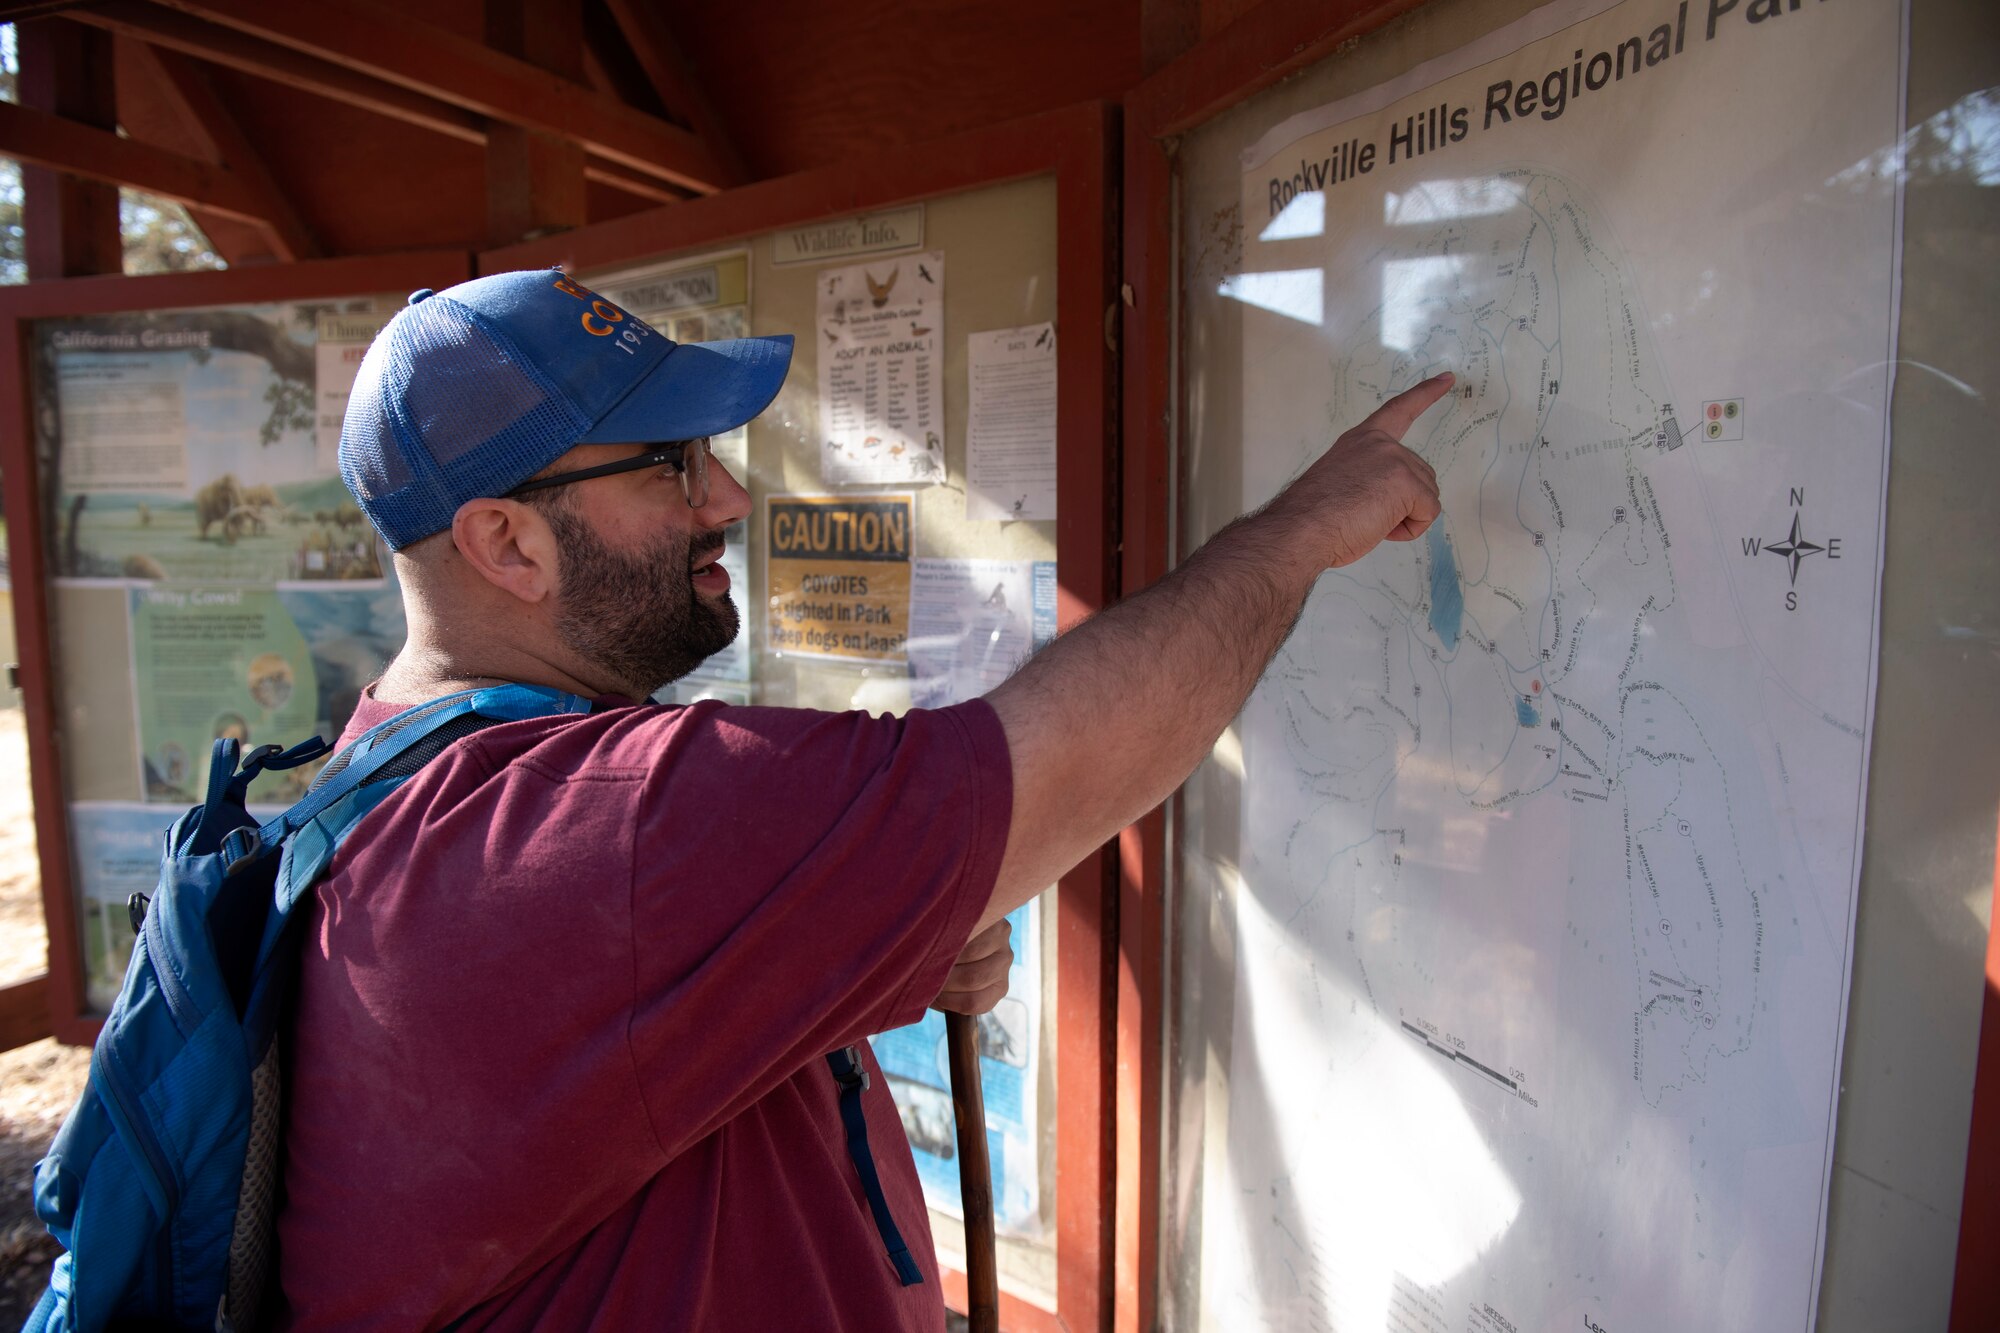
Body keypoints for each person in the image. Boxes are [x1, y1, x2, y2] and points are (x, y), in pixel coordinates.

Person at [276, 268, 1446, 1331]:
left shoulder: (396, 776)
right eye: (670, 464)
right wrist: (1301, 532)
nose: (726, 497)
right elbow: (1062, 765)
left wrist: (829, 945)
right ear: (506, 543)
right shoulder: (601, 826)